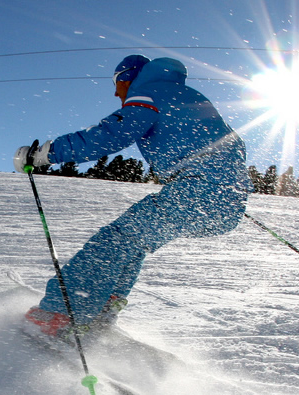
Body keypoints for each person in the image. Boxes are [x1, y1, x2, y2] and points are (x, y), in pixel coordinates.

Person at [13, 54, 251, 341]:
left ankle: (60, 316)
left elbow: (111, 134)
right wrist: (223, 191)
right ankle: (100, 311)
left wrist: (46, 154)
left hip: (197, 191)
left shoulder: (148, 91)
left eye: (116, 83)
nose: (116, 92)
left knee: (117, 240)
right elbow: (227, 144)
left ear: (128, 76)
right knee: (133, 243)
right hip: (221, 200)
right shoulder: (184, 93)